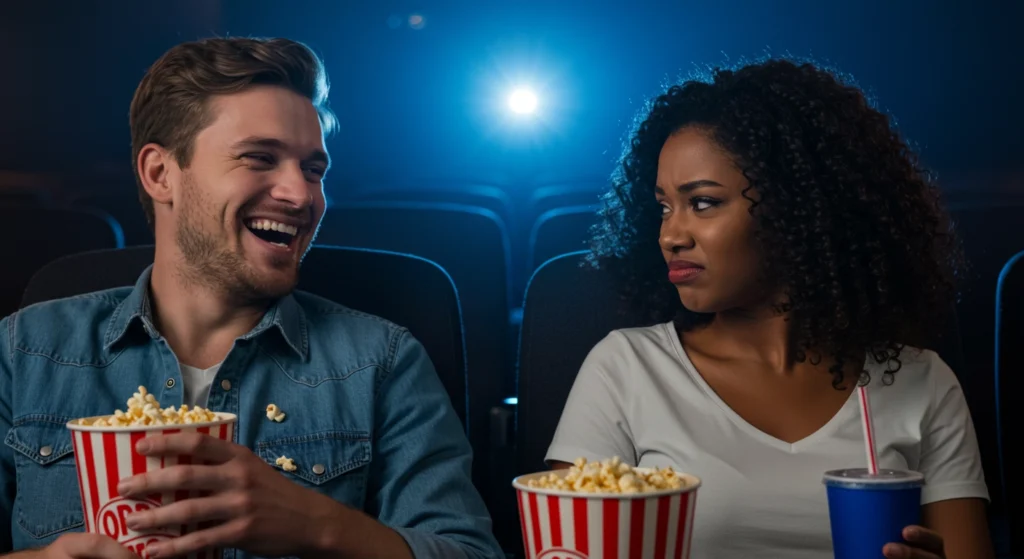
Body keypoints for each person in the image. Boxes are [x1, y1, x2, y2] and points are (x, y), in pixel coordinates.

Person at [0, 37, 502, 559]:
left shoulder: (382, 363)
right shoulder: (24, 351)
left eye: (314, 170)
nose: (301, 194)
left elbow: (469, 551)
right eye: (260, 158)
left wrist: (321, 527)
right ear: (160, 174)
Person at [546, 59, 993, 559]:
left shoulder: (922, 382)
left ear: (797, 208)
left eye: (704, 203)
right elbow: (566, 545)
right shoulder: (624, 370)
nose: (671, 235)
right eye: (664, 207)